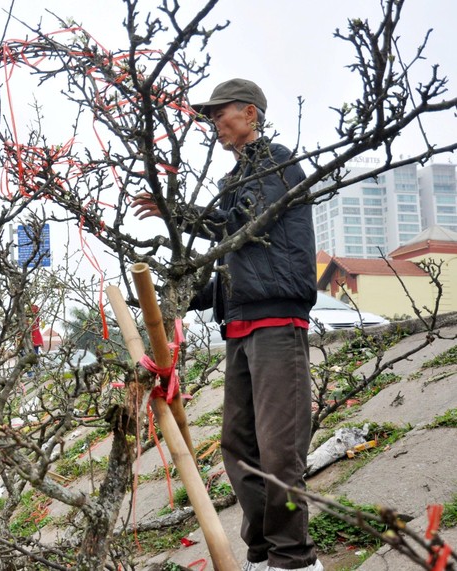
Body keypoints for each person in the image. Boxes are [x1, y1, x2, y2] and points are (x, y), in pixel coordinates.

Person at [132, 78, 320, 571]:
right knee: (240, 449)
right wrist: (170, 298)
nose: (214, 123)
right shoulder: (232, 182)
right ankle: (261, 556)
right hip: (239, 329)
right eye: (211, 116)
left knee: (279, 453)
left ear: (251, 113)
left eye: (221, 113)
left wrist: (178, 213)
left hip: (277, 324)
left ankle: (294, 559)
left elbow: (241, 226)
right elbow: (231, 268)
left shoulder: (276, 162)